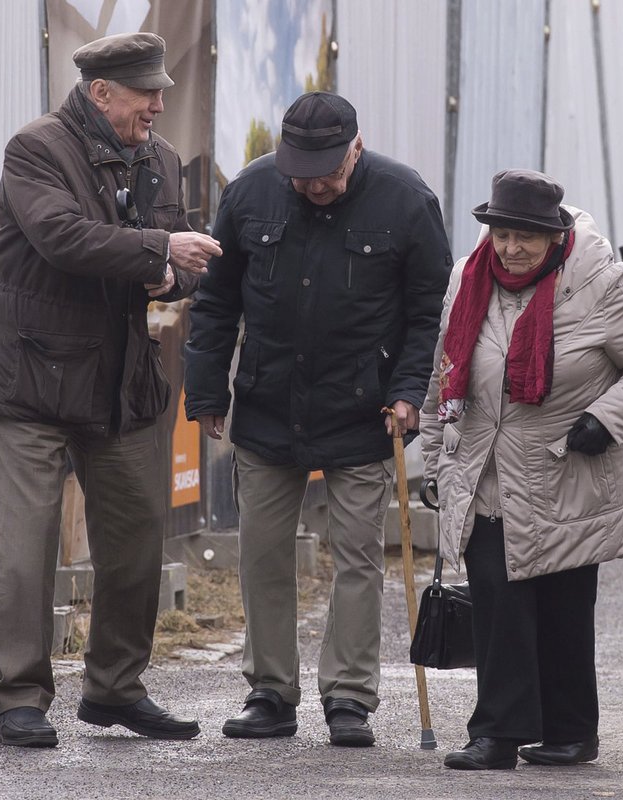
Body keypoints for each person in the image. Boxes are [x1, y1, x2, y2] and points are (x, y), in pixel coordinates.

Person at [0, 32, 222, 748]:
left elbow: (181, 256)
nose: (160, 106)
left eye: (163, 92)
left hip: (119, 381)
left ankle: (114, 688)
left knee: (139, 537)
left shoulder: (161, 159)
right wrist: (159, 251)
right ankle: (20, 697)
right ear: (101, 91)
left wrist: (174, 272)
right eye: (148, 93)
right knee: (28, 543)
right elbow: (62, 237)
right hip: (31, 378)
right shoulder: (37, 149)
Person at [183, 91, 452, 747]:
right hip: (269, 404)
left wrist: (410, 390)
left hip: (365, 411)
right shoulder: (250, 192)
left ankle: (350, 698)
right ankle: (270, 692)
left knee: (357, 556)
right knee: (263, 554)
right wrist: (207, 391)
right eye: (301, 172)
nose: (314, 185)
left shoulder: (406, 201)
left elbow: (425, 316)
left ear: (356, 149)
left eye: (327, 171)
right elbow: (216, 303)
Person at [420, 170, 623, 770]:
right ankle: (498, 733)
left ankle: (571, 731)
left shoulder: (602, 282)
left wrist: (607, 417)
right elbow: (444, 375)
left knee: (564, 606)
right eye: (502, 234)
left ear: (555, 234)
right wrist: (435, 460)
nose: (511, 249)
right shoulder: (468, 278)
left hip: (568, 466)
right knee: (497, 601)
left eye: (525, 237)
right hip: (485, 469)